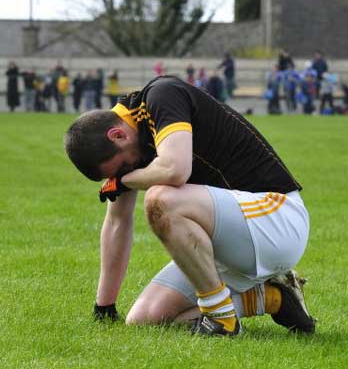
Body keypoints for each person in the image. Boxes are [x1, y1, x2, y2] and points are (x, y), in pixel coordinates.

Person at [63, 75, 316, 337]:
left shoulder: (162, 95)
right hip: (232, 238)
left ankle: (221, 320)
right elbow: (117, 222)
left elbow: (176, 169)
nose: (127, 173)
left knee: (161, 200)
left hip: (276, 218)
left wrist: (124, 180)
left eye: (124, 167)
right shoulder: (132, 144)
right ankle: (274, 297)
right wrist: (104, 306)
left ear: (117, 135)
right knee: (145, 318)